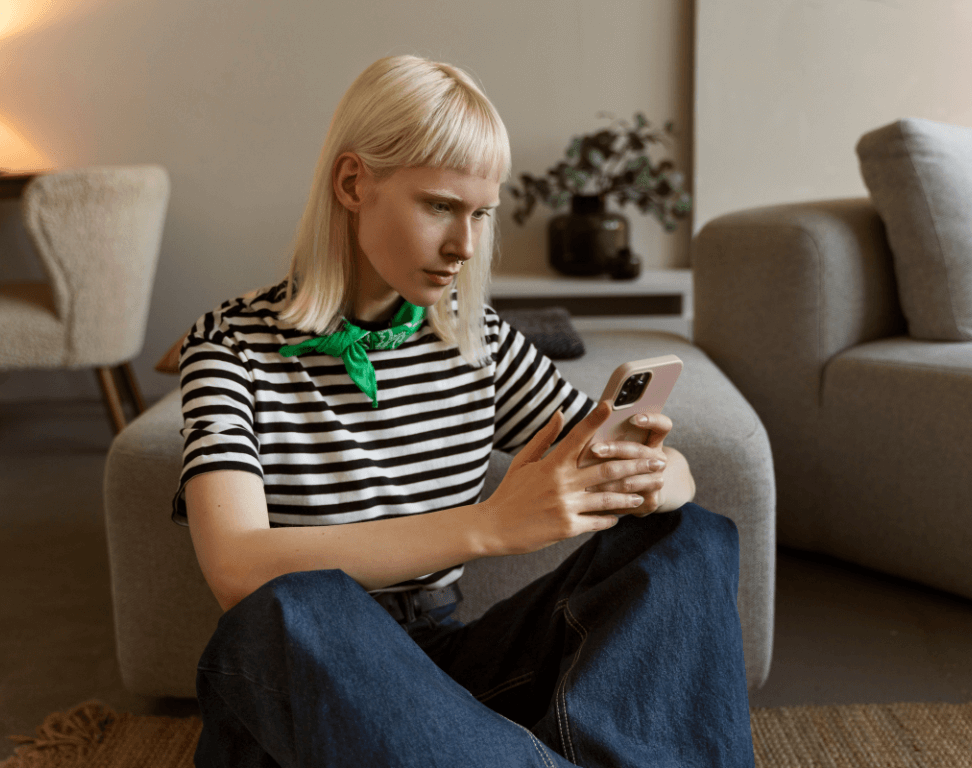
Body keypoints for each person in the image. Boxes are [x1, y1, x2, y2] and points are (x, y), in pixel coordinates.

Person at [174, 54, 755, 768]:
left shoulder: (470, 337)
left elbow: (674, 476)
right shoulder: (229, 348)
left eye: (481, 213)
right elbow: (235, 566)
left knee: (691, 538)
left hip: (447, 668)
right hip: (308, 676)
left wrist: (647, 471)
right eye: (441, 207)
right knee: (292, 608)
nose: (465, 246)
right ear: (354, 183)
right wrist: (486, 527)